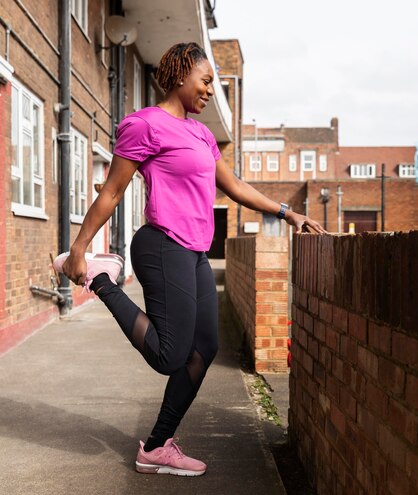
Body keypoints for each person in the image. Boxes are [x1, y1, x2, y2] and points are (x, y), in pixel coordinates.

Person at [54, 41, 325, 477]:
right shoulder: (144, 125)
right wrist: (82, 248)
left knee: (205, 349)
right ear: (181, 75)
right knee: (169, 355)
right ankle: (103, 280)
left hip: (195, 251)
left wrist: (287, 212)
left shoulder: (201, 134)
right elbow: (112, 191)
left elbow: (233, 186)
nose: (209, 92)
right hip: (161, 244)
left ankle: (157, 446)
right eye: (205, 82)